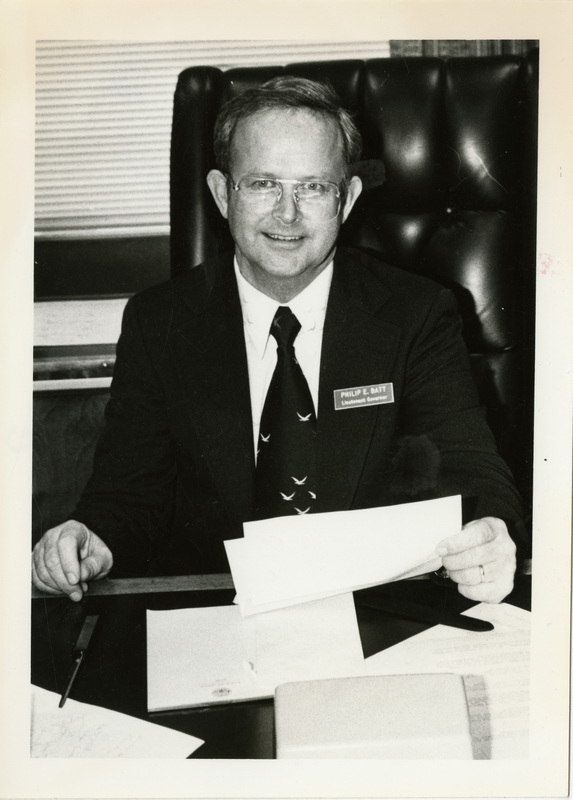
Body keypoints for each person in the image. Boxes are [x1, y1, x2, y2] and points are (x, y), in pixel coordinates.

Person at [32, 76, 526, 606]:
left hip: (374, 609)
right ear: (223, 194)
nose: (287, 214)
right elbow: (128, 495)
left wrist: (491, 532)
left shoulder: (416, 314)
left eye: (313, 187)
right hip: (213, 617)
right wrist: (90, 541)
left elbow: (467, 468)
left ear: (349, 198)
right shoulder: (160, 322)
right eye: (263, 183)